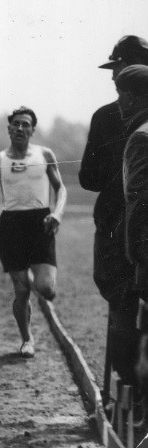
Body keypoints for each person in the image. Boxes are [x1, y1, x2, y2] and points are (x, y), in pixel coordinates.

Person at [80, 35, 148, 388]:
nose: (112, 77)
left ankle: (127, 388)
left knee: (122, 305)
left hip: (117, 228)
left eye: (116, 67)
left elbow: (88, 179)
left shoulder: (107, 115)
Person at [0, 106, 67, 359]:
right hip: (11, 224)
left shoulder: (45, 154)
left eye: (26, 124)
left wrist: (57, 213)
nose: (21, 128)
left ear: (33, 130)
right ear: (9, 129)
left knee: (45, 288)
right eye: (16, 124)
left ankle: (40, 283)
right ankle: (27, 339)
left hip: (41, 222)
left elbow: (61, 189)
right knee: (22, 290)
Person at [117, 65, 148, 398]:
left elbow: (138, 199)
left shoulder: (141, 136)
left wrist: (134, 251)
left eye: (121, 94)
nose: (119, 102)